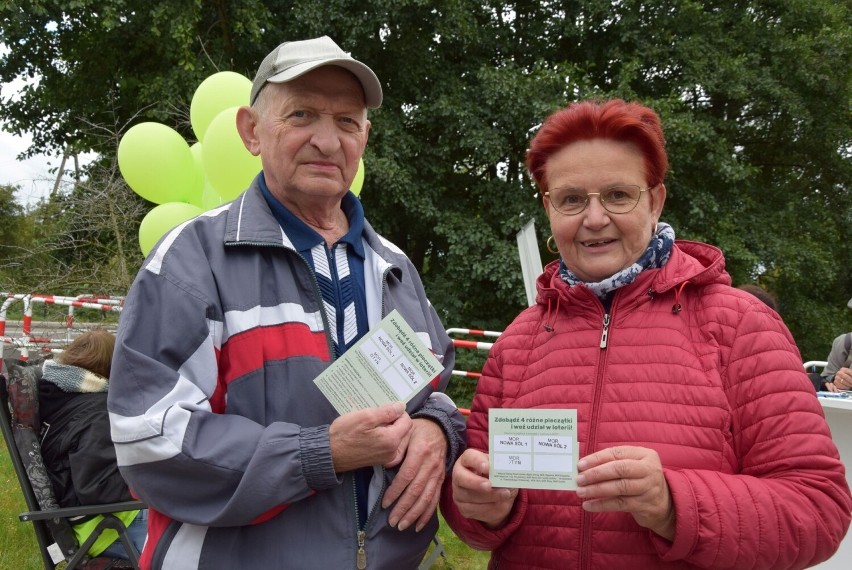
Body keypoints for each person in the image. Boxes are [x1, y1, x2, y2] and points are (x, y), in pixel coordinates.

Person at [440, 99, 852, 569]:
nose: (594, 219)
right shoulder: (519, 343)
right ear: (549, 208)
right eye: (572, 199)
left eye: (618, 195)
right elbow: (476, 508)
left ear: (655, 201)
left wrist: (674, 505)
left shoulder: (740, 327)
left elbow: (818, 510)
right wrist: (477, 507)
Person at [108, 36, 465, 569]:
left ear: (365, 137)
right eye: (302, 115)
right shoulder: (189, 261)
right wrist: (321, 453)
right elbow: (148, 439)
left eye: (347, 121)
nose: (327, 140)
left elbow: (437, 387)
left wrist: (438, 428)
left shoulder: (393, 267)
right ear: (251, 132)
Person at [38, 328, 147, 561]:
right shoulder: (95, 414)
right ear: (111, 367)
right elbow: (98, 488)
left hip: (95, 521)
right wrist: (154, 486)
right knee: (198, 531)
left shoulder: (60, 398)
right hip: (108, 527)